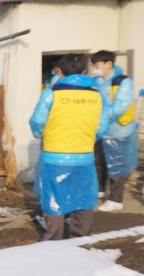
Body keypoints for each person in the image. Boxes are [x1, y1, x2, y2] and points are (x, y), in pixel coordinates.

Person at [30, 53, 110, 240]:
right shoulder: (97, 95)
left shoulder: (52, 94)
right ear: (84, 71)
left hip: (54, 157)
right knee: (83, 200)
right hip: (84, 157)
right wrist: (87, 139)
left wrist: (44, 135)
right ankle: (80, 242)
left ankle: (53, 242)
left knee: (54, 201)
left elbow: (37, 123)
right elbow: (102, 126)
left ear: (60, 71)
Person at [91, 51, 138, 212]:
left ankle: (116, 200)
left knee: (117, 165)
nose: (94, 68)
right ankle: (99, 190)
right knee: (99, 161)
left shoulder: (123, 82)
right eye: (94, 65)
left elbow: (121, 105)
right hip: (100, 131)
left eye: (97, 65)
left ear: (109, 64)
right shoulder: (96, 82)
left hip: (119, 131)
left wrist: (102, 115)